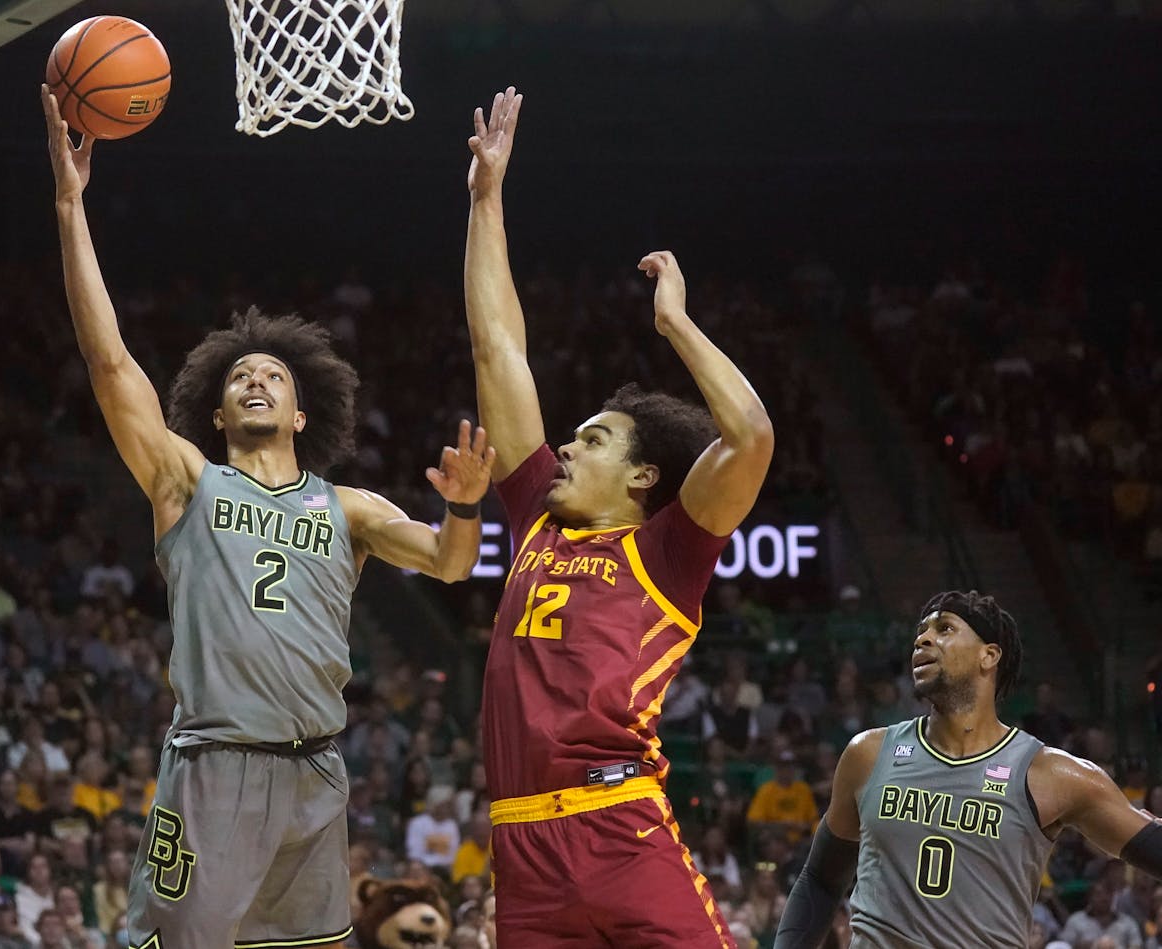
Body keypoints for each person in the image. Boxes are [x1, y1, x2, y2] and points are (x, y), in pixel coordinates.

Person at [41, 86, 494, 949]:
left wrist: (465, 502)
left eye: (273, 377)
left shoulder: (348, 506)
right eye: (239, 376)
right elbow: (108, 361)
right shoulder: (187, 480)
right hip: (214, 769)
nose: (255, 378)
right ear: (214, 414)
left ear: (299, 414)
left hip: (318, 770)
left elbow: (451, 561)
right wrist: (70, 204)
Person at [463, 86, 775, 948]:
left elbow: (749, 436)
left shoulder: (668, 548)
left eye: (592, 438)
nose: (564, 447)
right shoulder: (536, 517)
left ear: (643, 475)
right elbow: (498, 346)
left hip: (619, 826)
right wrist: (486, 201)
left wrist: (674, 324)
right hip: (522, 844)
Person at [776, 590, 1162, 949]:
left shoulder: (1053, 775)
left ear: (989, 655)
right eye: (921, 631)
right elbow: (820, 882)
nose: (923, 640)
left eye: (944, 628)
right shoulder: (869, 754)